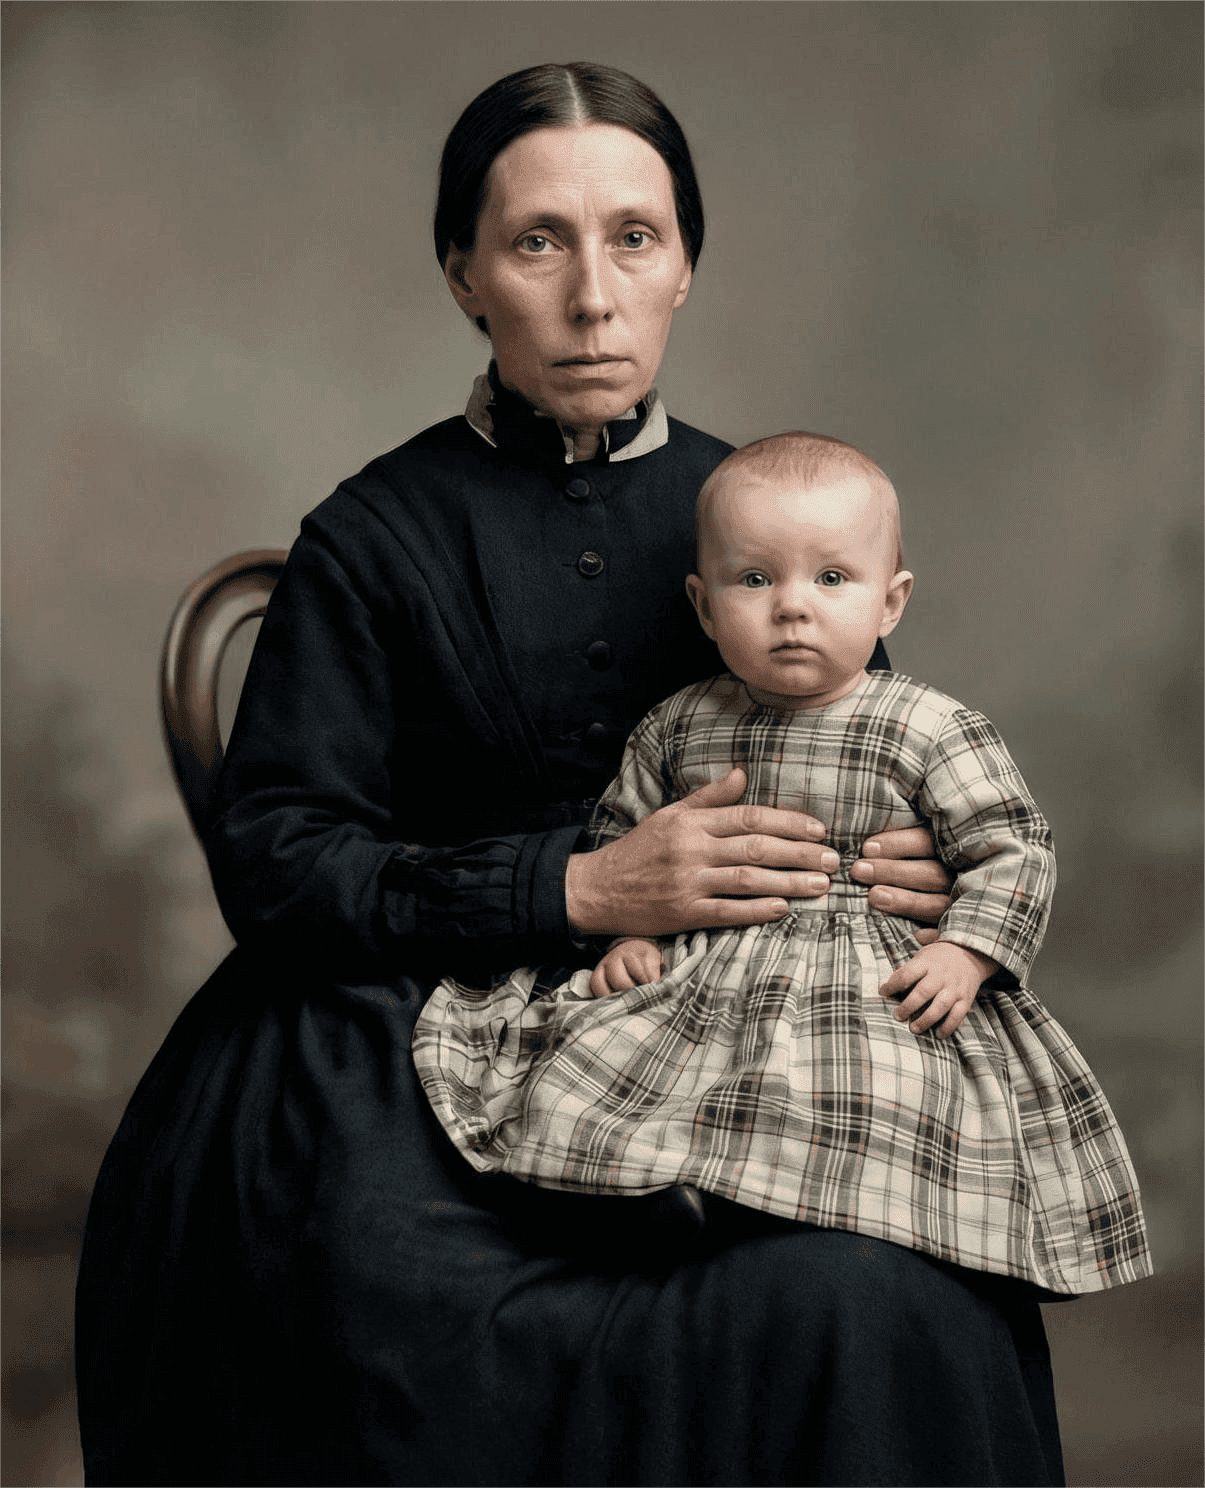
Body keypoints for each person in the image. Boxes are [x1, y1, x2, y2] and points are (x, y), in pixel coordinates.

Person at [75, 63, 1067, 1487]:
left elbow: (879, 756)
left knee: (889, 1296)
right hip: (386, 1046)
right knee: (397, 1314)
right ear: (464, 276)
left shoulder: (770, 513)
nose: (591, 294)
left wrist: (909, 869)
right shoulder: (372, 534)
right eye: (538, 241)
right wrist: (580, 884)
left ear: (684, 269)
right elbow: (281, 863)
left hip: (750, 1034)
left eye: (634, 239)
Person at [414, 431, 1152, 1299]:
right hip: (706, 965)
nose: (791, 607)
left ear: (891, 602)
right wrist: (625, 936)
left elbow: (1014, 846)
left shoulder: (927, 725)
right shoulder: (678, 725)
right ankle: (637, 1195)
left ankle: (804, 1215)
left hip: (867, 977)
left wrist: (966, 951)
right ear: (702, 603)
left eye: (831, 578)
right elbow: (621, 840)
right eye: (754, 579)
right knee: (592, 1057)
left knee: (872, 1086)